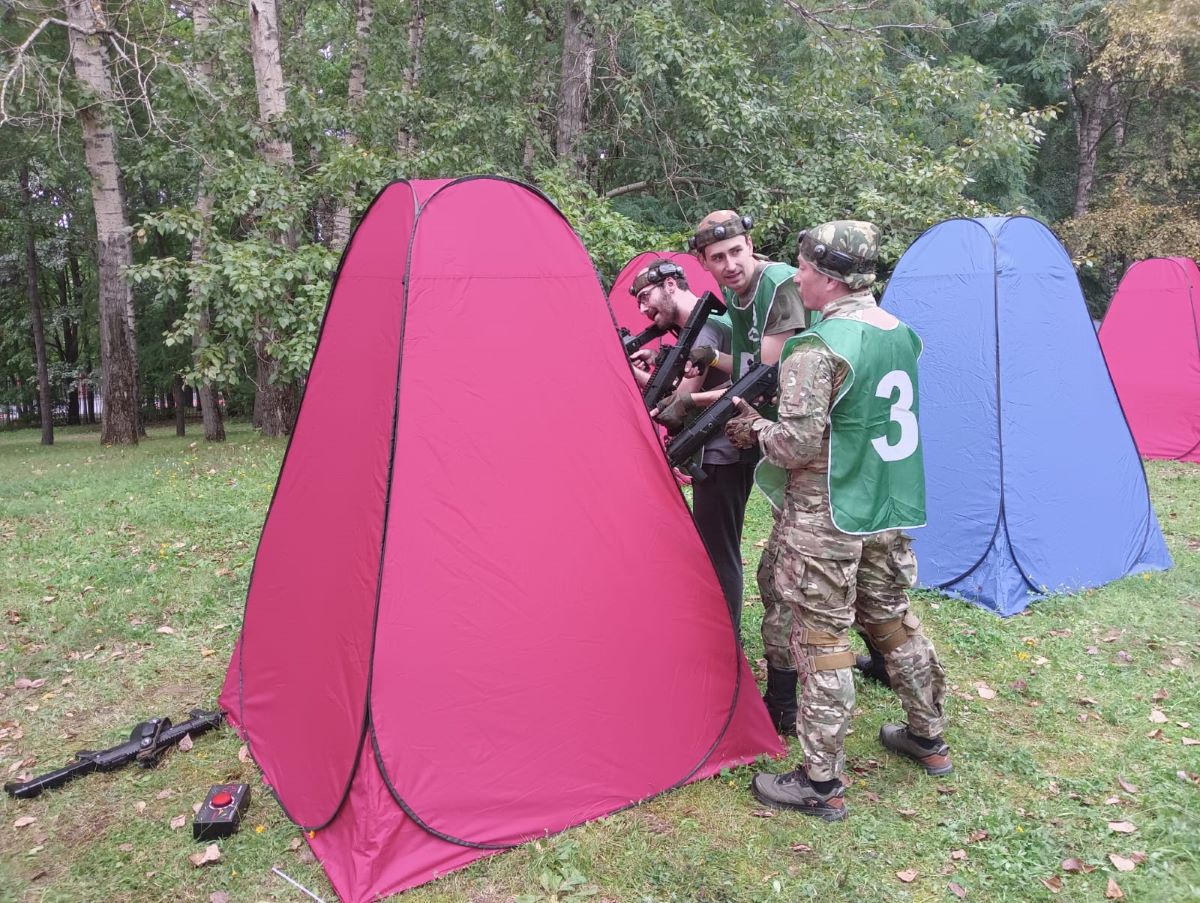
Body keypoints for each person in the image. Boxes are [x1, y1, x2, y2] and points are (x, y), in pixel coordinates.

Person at [725, 220, 949, 822]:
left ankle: (820, 781)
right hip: (887, 503)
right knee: (892, 620)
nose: (796, 278)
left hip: (828, 512)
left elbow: (796, 444)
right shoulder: (901, 335)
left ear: (825, 278)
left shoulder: (817, 348)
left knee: (822, 641)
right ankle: (928, 735)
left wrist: (752, 427)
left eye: (802, 269)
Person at [670, 211, 809, 736]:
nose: (730, 265)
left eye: (736, 252)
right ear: (703, 264)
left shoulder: (776, 286)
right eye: (717, 258)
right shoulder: (738, 295)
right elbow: (751, 360)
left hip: (803, 438)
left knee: (798, 567)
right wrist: (713, 356)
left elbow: (768, 377)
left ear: (750, 245)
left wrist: (691, 401)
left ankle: (772, 684)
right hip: (769, 429)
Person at [626, 260, 748, 631]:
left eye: (646, 297)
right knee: (717, 545)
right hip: (722, 448)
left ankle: (724, 638)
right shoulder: (704, 326)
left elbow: (678, 404)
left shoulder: (704, 328)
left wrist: (628, 372)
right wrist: (658, 363)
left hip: (721, 452)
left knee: (718, 550)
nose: (645, 309)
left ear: (670, 285)